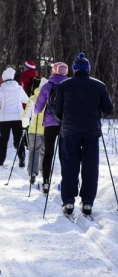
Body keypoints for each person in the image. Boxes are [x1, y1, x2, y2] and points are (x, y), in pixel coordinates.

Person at [54, 53, 114, 216]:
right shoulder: (99, 86)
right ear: (88, 69)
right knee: (90, 166)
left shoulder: (64, 86)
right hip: (91, 131)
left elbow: (56, 110)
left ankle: (68, 201)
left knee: (69, 166)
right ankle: (87, 202)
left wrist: (63, 119)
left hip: (70, 131)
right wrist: (96, 115)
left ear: (74, 70)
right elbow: (108, 109)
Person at [34, 62, 68, 194]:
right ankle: (65, 182)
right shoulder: (70, 85)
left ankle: (46, 182)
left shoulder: (47, 86)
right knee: (63, 154)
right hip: (65, 124)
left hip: (49, 124)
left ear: (53, 71)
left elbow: (38, 109)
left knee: (48, 153)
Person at [0, 67, 28, 167]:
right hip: (18, 117)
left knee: (4, 139)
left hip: (3, 119)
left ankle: (1, 161)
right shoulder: (19, 88)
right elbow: (26, 100)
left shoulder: (0, 90)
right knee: (18, 139)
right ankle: (22, 159)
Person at [22, 77, 47, 184]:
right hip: (47, 130)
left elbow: (26, 114)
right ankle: (45, 173)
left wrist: (24, 125)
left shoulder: (32, 98)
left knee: (34, 151)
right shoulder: (51, 97)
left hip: (33, 129)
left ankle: (32, 173)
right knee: (45, 153)